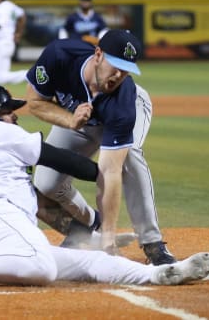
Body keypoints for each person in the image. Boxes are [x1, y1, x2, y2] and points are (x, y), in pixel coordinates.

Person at [0, 85, 209, 288]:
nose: (14, 116)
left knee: (91, 262)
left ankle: (162, 275)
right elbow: (59, 159)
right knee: (40, 268)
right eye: (7, 111)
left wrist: (90, 231)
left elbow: (41, 202)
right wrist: (108, 172)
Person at [25, 29, 177, 264]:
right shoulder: (60, 55)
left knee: (130, 158)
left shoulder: (123, 99)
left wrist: (109, 237)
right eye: (114, 65)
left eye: (126, 70)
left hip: (125, 112)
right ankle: (90, 224)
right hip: (78, 118)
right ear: (98, 54)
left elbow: (110, 172)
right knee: (46, 183)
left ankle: (152, 242)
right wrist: (70, 121)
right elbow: (35, 103)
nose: (118, 75)